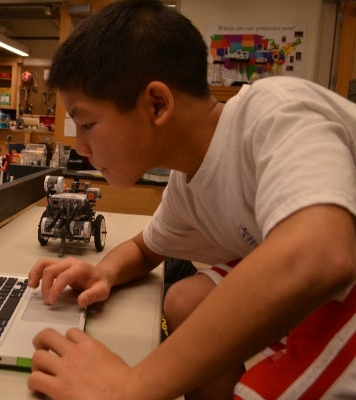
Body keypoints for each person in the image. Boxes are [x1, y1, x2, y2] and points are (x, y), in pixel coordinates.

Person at [26, 1, 356, 399]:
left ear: (157, 104)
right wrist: (105, 273)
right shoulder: (188, 181)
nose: (80, 146)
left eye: (88, 124)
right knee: (185, 299)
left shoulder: (273, 109)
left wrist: (131, 387)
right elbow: (146, 249)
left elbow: (321, 253)